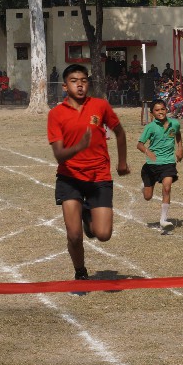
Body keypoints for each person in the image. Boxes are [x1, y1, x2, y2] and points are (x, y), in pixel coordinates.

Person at [46, 64, 130, 281]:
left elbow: (120, 133)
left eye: (83, 80)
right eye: (74, 81)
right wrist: (80, 147)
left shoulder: (100, 106)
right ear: (65, 86)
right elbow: (59, 155)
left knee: (103, 234)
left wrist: (122, 162)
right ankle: (80, 272)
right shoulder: (56, 114)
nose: (80, 85)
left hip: (99, 176)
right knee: (74, 236)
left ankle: (87, 214)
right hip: (69, 178)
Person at [136, 100, 183, 230]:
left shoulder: (174, 123)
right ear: (152, 113)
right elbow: (139, 144)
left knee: (167, 188)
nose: (160, 112)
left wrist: (180, 148)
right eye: (157, 110)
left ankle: (163, 219)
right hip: (152, 165)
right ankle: (145, 186)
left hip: (168, 162)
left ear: (166, 110)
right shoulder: (150, 127)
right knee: (147, 197)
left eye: (162, 109)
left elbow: (178, 134)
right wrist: (148, 152)